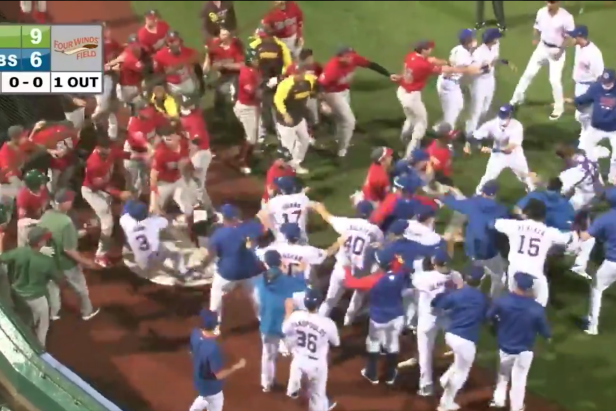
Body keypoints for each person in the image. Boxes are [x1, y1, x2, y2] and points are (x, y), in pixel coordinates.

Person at [395, 40, 483, 157]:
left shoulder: (411, 56)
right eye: (429, 48)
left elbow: (430, 62)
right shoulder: (424, 65)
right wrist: (466, 70)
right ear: (424, 50)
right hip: (412, 97)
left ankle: (404, 139)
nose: (431, 49)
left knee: (411, 118)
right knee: (421, 125)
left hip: (402, 91)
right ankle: (409, 156)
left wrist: (446, 62)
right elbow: (447, 70)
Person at [345, 248, 411, 386]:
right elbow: (403, 267)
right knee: (392, 342)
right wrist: (398, 261)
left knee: (374, 342)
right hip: (397, 316)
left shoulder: (374, 279)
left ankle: (372, 373)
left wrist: (346, 269)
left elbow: (351, 283)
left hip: (379, 318)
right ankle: (390, 375)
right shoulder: (400, 274)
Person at [487, 272, 551, 411]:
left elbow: (489, 316)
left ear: (516, 284)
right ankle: (516, 407)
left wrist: (497, 326)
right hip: (525, 350)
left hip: (505, 347)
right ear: (529, 289)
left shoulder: (502, 301)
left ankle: (498, 400)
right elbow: (545, 331)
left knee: (503, 375)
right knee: (520, 380)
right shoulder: (536, 308)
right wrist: (546, 338)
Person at [313, 200, 383, 325]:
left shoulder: (346, 223)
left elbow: (328, 217)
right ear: (371, 213)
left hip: (341, 269)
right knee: (358, 297)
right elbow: (379, 250)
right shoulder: (376, 231)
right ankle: (348, 322)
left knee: (330, 301)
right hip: (362, 273)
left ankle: (318, 324)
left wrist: (319, 208)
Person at [319, 47, 397, 158]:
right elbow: (320, 85)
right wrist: (322, 102)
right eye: (346, 57)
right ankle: (342, 150)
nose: (350, 58)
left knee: (341, 119)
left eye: (350, 55)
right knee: (350, 121)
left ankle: (339, 138)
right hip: (332, 94)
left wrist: (388, 74)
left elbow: (370, 64)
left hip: (344, 91)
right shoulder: (332, 68)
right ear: (339, 58)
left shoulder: (353, 58)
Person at [37, 189, 101, 321]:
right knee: (80, 288)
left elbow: (58, 236)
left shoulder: (46, 215)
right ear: (64, 203)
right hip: (66, 264)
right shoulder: (66, 221)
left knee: (53, 289)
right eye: (70, 200)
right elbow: (69, 249)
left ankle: (53, 314)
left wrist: (84, 231)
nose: (71, 203)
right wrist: (87, 262)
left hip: (48, 261)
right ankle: (87, 312)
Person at [494, 198, 572, 307]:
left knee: (515, 304)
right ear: (543, 216)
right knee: (539, 306)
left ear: (526, 213)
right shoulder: (549, 232)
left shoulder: (513, 225)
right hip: (535, 273)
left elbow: (496, 223)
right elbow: (567, 239)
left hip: (515, 272)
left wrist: (520, 217)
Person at [438, 181, 509, 298]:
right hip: (490, 251)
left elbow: (454, 203)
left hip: (472, 249)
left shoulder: (472, 203)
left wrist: (445, 196)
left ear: (483, 191)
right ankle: (494, 299)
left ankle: (472, 292)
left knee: (474, 273)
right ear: (495, 194)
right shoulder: (501, 210)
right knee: (499, 276)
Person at [202, 204, 269, 328]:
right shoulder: (251, 226)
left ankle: (214, 326)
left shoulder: (219, 234)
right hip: (251, 272)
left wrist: (203, 264)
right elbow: (265, 230)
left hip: (228, 274)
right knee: (258, 298)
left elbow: (212, 254)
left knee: (216, 293)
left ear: (224, 218)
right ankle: (264, 322)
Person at [433, 265, 488, 411]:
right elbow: (485, 318)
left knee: (459, 363)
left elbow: (438, 304)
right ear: (481, 280)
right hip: (466, 340)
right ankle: (445, 403)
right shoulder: (483, 299)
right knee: (462, 372)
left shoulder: (457, 294)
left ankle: (444, 380)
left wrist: (441, 295)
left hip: (450, 336)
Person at [510, 1, 575, 121]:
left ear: (558, 3)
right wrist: (535, 38)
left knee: (554, 80)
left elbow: (570, 38)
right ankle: (514, 100)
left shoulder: (566, 17)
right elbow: (537, 27)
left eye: (552, 2)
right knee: (528, 74)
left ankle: (559, 107)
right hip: (542, 48)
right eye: (548, 2)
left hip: (557, 51)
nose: (549, 4)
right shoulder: (541, 12)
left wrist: (560, 49)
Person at [254, 250, 307, 392]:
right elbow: (303, 286)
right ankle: (296, 387)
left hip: (268, 323)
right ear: (280, 262)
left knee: (268, 355)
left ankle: (266, 384)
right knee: (298, 354)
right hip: (286, 323)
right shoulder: (287, 281)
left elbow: (258, 302)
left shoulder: (259, 281)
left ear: (266, 263)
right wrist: (301, 271)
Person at [0, 226, 62, 347]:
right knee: (43, 325)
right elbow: (60, 279)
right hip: (37, 297)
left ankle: (22, 344)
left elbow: (2, 258)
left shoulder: (18, 252)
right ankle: (40, 348)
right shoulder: (47, 260)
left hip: (17, 294)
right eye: (44, 239)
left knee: (24, 322)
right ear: (40, 242)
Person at [411, 248, 461, 397]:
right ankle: (451, 379)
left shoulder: (424, 277)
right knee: (461, 351)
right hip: (448, 319)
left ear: (434, 262)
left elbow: (412, 280)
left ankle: (426, 386)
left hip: (428, 319)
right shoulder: (456, 276)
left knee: (425, 353)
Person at [283, 289, 339, 411]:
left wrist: (288, 312)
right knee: (317, 396)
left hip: (298, 361)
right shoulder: (327, 323)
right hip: (317, 364)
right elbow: (336, 342)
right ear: (319, 304)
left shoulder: (296, 316)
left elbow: (284, 330)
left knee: (299, 376)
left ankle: (293, 389)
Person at [466, 104, 536, 195]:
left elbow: (510, 148)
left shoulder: (517, 126)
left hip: (515, 155)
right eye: (501, 115)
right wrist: (476, 143)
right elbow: (475, 136)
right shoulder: (491, 124)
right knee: (489, 177)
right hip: (498, 156)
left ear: (510, 115)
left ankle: (532, 192)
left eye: (505, 116)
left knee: (524, 175)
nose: (502, 119)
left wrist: (491, 150)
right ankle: (478, 194)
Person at [188, 308, 246, 411]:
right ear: (215, 326)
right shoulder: (213, 347)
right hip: (213, 388)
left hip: (198, 380)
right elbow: (218, 375)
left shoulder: (195, 334)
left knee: (203, 397)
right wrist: (236, 367)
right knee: (211, 400)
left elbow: (191, 353)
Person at [579, 187, 616, 335]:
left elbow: (585, 237)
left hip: (612, 263)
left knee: (597, 288)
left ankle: (592, 326)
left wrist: (583, 226)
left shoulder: (605, 218)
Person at [574, 68, 616, 180]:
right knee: (585, 149)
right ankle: (592, 174)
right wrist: (575, 101)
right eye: (604, 82)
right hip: (596, 127)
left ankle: (613, 177)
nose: (606, 85)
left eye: (608, 83)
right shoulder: (596, 88)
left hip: (614, 129)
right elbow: (584, 99)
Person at [568, 25, 604, 140]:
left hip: (588, 87)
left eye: (573, 36)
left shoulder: (593, 54)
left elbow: (600, 76)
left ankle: (588, 142)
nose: (571, 38)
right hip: (579, 85)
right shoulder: (579, 47)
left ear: (580, 37)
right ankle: (586, 134)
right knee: (580, 115)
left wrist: (593, 94)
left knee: (585, 115)